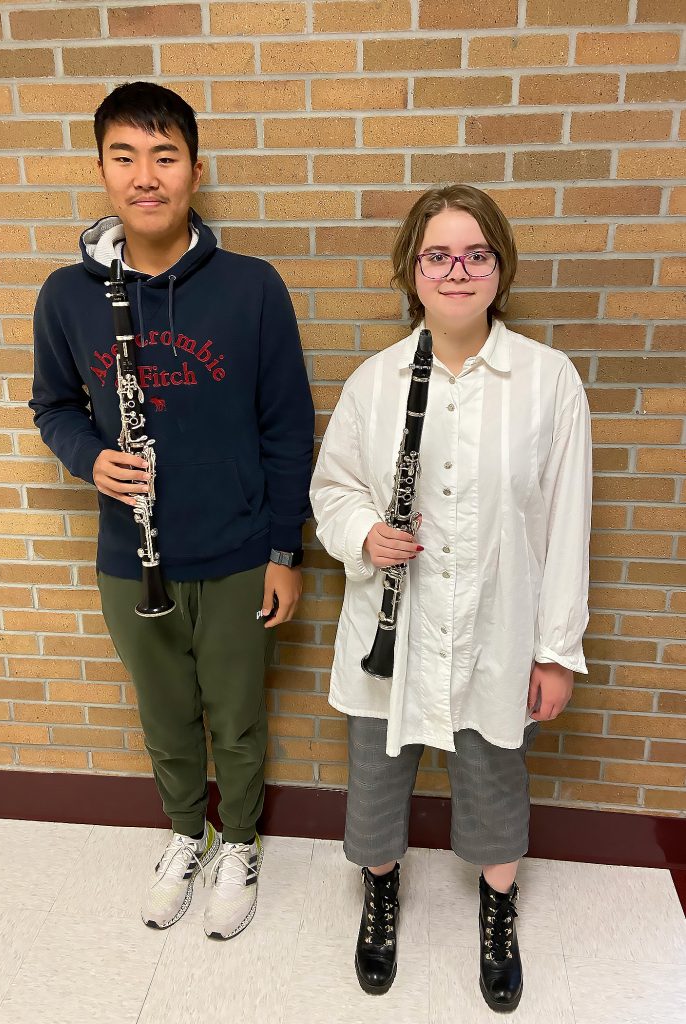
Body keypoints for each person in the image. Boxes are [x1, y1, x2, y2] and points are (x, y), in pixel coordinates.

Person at [30, 81, 315, 941]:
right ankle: (184, 834)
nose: (144, 176)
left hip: (234, 553)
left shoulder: (252, 287)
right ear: (103, 170)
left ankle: (241, 843)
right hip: (132, 556)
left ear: (194, 169)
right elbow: (53, 406)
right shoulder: (68, 293)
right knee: (164, 717)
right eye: (124, 156)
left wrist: (284, 551)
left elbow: (287, 427)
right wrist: (93, 459)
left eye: (164, 155)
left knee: (237, 714)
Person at [310, 184, 591, 1009]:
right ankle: (381, 893)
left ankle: (497, 907)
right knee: (376, 777)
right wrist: (365, 532)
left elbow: (567, 527)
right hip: (389, 630)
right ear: (412, 268)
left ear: (500, 268)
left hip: (496, 631)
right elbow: (333, 490)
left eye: (476, 254)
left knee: (496, 772)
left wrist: (555, 650)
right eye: (439, 254)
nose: (457, 270)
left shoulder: (548, 380)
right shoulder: (377, 380)